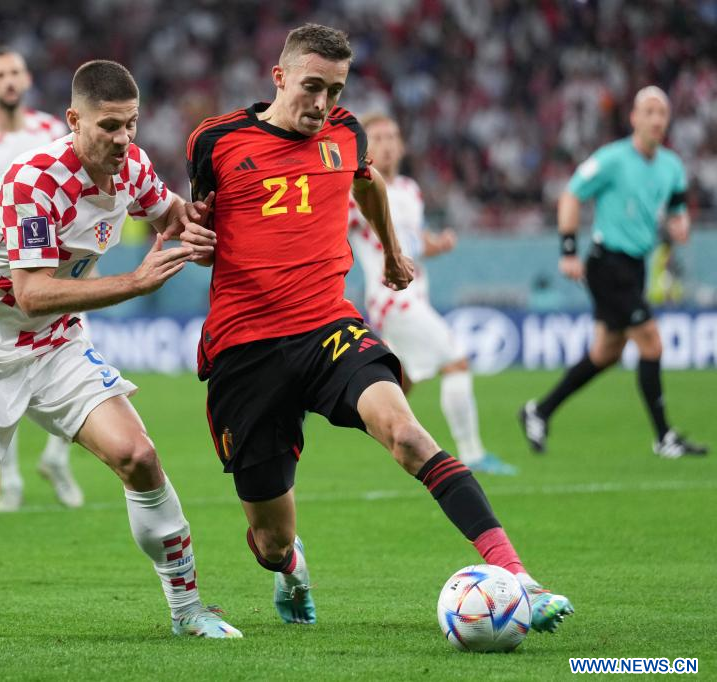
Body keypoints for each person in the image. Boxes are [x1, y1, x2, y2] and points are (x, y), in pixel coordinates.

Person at [184, 23, 571, 631]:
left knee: (409, 435)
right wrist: (195, 237)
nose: (323, 103)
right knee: (271, 541)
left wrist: (392, 251)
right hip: (245, 348)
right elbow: (198, 222)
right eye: (312, 87)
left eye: (335, 90)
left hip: (327, 328)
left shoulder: (345, 134)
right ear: (279, 77)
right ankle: (292, 568)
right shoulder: (216, 141)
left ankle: (519, 577)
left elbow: (368, 183)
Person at [0, 60, 241, 642]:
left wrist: (199, 228)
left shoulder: (132, 166)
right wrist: (135, 282)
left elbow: (172, 216)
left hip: (55, 345)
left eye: (131, 123)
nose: (123, 138)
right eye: (109, 126)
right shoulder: (35, 181)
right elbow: (32, 294)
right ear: (74, 120)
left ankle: (187, 610)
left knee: (138, 456)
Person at [519, 86, 708, 459]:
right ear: (634, 118)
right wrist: (568, 250)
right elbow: (572, 194)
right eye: (648, 111)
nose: (656, 119)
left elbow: (677, 208)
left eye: (662, 113)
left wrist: (680, 224)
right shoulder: (612, 159)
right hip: (607, 263)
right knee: (651, 342)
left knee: (606, 352)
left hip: (636, 266)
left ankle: (539, 411)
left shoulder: (671, 166)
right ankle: (664, 437)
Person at [0, 47, 81, 511]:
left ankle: (56, 457)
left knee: (74, 354)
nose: (8, 80)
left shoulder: (52, 132)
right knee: (6, 368)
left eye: (15, 72)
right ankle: (12, 478)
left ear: (27, 80)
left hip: (55, 265)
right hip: (2, 274)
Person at [347, 114, 516, 475]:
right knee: (455, 362)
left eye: (392, 136)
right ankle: (472, 454)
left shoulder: (410, 190)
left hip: (414, 295)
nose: (387, 145)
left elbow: (413, 243)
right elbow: (332, 225)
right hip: (393, 299)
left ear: (402, 145)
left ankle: (344, 415)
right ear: (365, 147)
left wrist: (436, 245)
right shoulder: (357, 190)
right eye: (378, 138)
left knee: (399, 382)